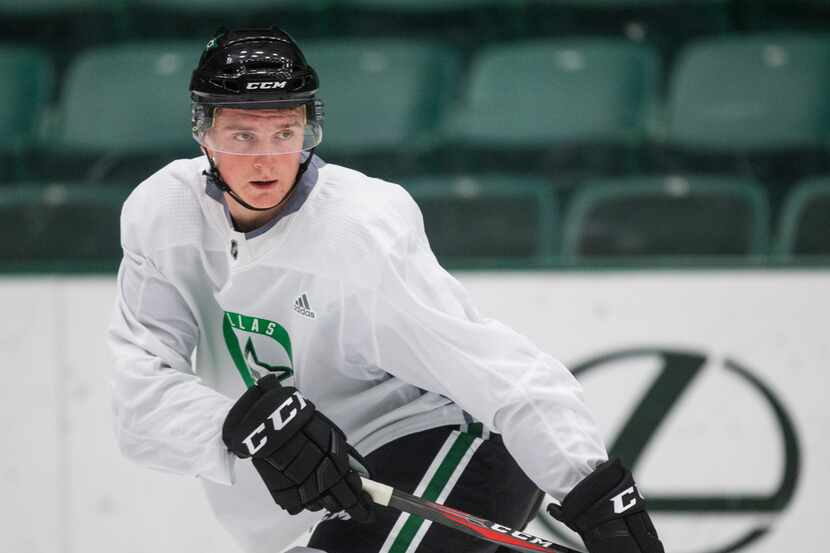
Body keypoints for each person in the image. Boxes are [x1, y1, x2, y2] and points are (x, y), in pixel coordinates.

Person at [108, 26, 665, 553]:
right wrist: (239, 427)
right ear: (203, 132)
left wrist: (594, 492)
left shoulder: (359, 229)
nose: (267, 158)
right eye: (242, 135)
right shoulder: (164, 217)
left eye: (285, 132)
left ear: (309, 128)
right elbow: (140, 398)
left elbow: (493, 367)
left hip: (445, 449)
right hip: (316, 500)